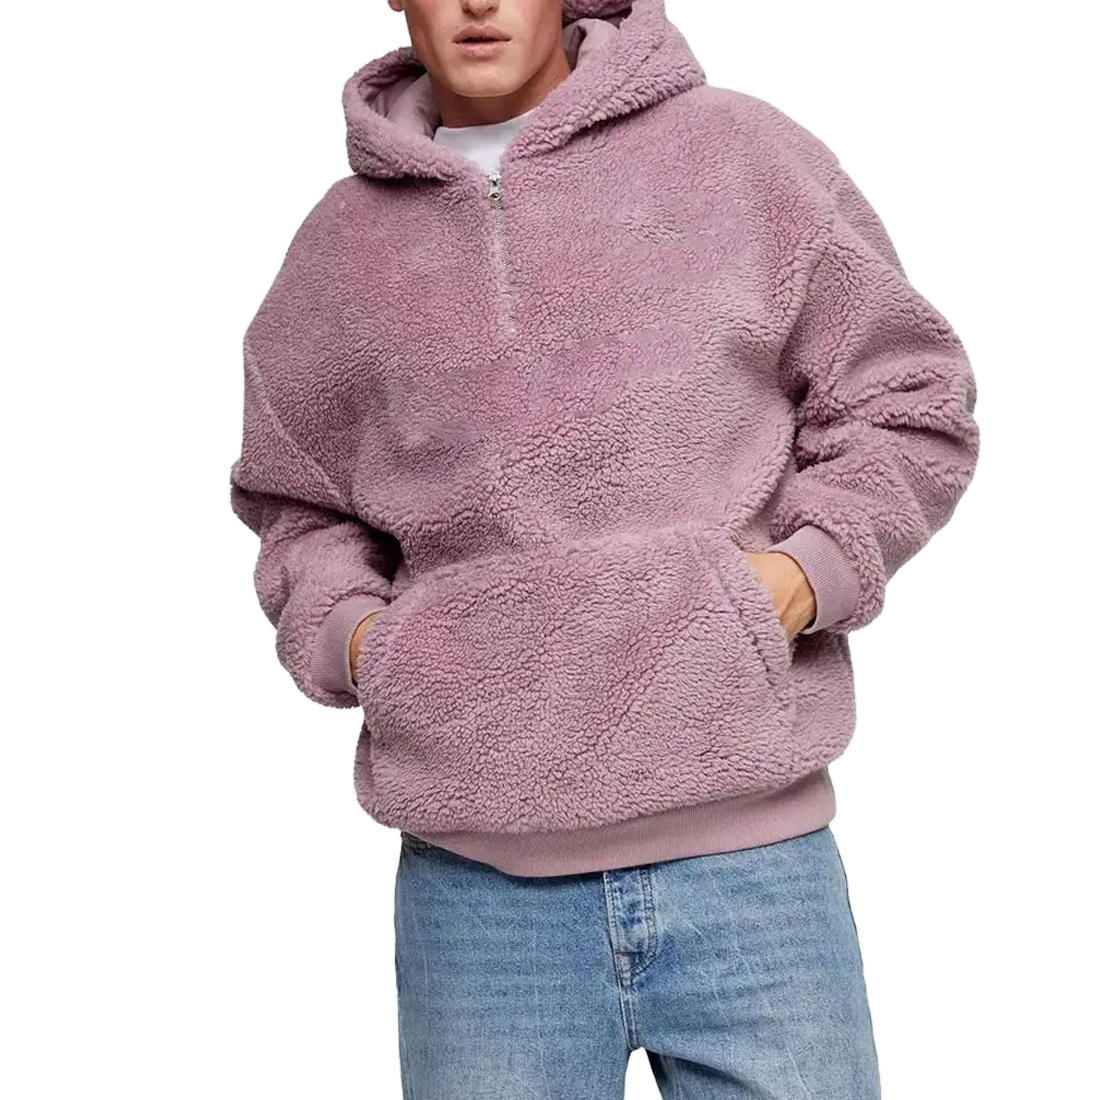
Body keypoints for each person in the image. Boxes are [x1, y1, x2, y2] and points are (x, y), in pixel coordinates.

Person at [228, 0, 980, 1095]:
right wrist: (363, 643)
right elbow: (296, 500)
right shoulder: (340, 251)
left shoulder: (742, 158)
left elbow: (906, 397)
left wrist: (795, 579)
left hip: (754, 874)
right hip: (480, 901)